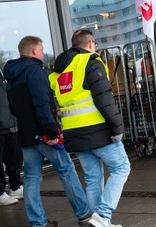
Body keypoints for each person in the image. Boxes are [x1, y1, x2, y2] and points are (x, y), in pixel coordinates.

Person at [4, 36, 91, 227]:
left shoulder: (11, 77)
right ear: (34, 51)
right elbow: (42, 103)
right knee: (66, 169)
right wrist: (52, 131)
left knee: (31, 178)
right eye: (42, 49)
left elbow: (13, 109)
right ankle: (84, 213)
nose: (43, 52)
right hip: (44, 135)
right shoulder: (34, 71)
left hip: (26, 135)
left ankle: (37, 222)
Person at [49, 30, 130, 227]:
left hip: (74, 134)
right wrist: (117, 127)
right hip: (98, 131)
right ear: (91, 43)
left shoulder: (58, 71)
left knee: (93, 177)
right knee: (121, 168)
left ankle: (98, 221)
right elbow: (105, 99)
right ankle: (103, 215)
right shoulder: (90, 62)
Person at [0, 66, 22, 206]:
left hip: (10, 123)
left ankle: (15, 187)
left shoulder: (2, 71)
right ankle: (0, 193)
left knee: (15, 157)